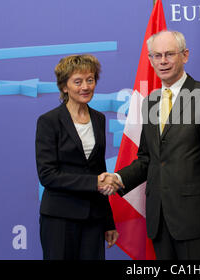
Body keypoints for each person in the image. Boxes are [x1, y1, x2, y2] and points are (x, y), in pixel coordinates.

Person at [101, 30, 200, 260]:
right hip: (159, 219)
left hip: (194, 221)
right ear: (150, 60)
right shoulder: (151, 101)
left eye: (169, 54)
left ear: (185, 55)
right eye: (157, 55)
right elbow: (147, 158)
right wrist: (118, 179)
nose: (163, 61)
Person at [35, 54, 123, 260]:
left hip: (93, 219)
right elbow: (47, 175)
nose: (85, 86)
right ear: (64, 87)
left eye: (90, 80)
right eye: (78, 81)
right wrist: (94, 182)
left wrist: (108, 222)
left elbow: (98, 170)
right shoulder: (49, 122)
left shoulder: (99, 119)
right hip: (59, 218)